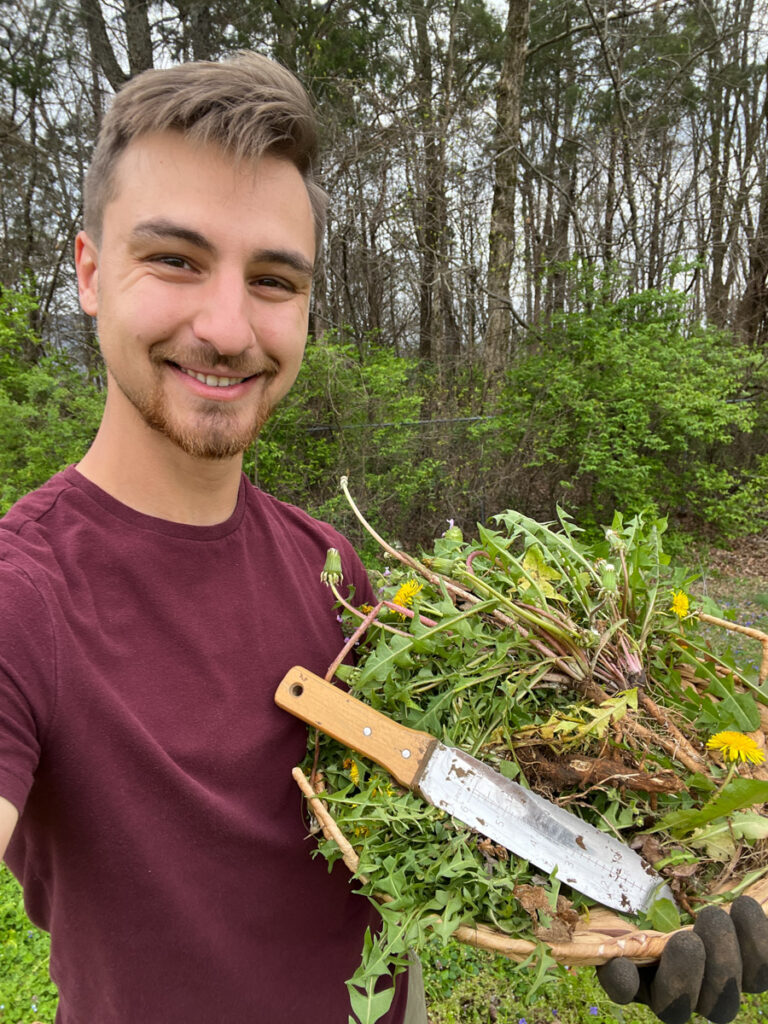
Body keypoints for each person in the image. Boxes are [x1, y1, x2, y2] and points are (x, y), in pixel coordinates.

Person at [0, 49, 765, 1024]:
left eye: (273, 278)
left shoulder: (332, 570)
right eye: (175, 260)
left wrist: (645, 898)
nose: (229, 325)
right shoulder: (25, 597)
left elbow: (450, 828)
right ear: (91, 274)